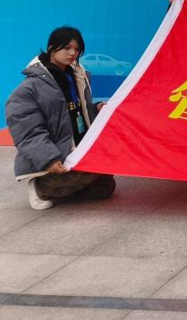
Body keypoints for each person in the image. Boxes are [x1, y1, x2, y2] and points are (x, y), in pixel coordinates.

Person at [4, 27, 116, 210]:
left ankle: (66, 186)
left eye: (77, 49)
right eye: (67, 48)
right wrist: (48, 158)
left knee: (105, 188)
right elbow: (28, 131)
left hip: (76, 148)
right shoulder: (30, 88)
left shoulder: (76, 75)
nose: (73, 53)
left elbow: (76, 110)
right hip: (54, 155)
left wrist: (96, 108)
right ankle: (40, 186)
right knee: (89, 173)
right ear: (51, 48)